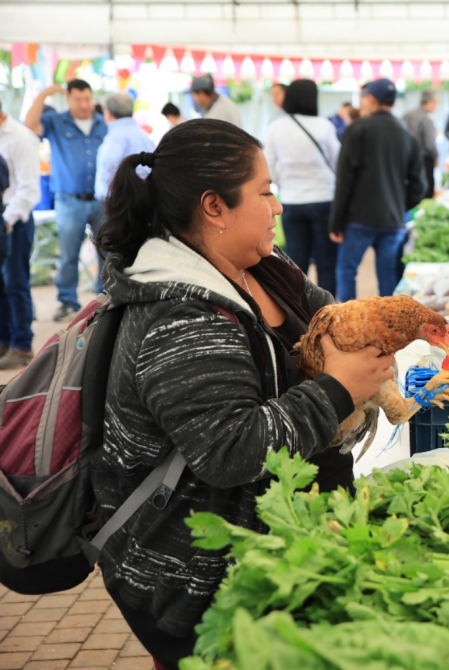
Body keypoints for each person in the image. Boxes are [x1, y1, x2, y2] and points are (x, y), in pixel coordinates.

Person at [91, 119, 395, 670]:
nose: (278, 206)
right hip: (206, 580)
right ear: (215, 206)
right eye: (265, 191)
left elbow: (335, 321)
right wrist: (338, 390)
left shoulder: (266, 269)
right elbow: (229, 449)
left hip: (287, 546)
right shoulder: (178, 313)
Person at [329, 79, 426, 301]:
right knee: (387, 275)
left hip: (358, 218)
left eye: (363, 98)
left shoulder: (358, 129)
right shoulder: (406, 135)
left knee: (346, 270)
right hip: (393, 220)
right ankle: (390, 327)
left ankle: (347, 325)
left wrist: (336, 220)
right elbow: (420, 185)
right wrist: (400, 205)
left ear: (371, 99)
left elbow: (345, 179)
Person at [24, 79, 108, 321]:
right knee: (69, 253)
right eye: (77, 99)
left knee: (106, 251)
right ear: (68, 99)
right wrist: (45, 93)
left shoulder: (104, 123)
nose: (83, 104)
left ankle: (104, 299)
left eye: (87, 99)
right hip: (69, 200)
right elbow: (29, 126)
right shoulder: (56, 121)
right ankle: (68, 301)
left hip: (101, 199)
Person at [264, 79, 341, 296]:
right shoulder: (324, 126)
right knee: (327, 262)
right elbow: (338, 162)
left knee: (296, 264)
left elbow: (269, 167)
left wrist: (285, 181)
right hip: (324, 199)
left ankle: (301, 312)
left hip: (291, 201)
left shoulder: (276, 127)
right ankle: (330, 314)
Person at [0, 101, 42, 369]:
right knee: (1, 287)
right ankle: (5, 339)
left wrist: (6, 221)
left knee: (15, 284)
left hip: (14, 222)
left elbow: (28, 189)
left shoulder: (20, 138)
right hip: (3, 219)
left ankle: (22, 344)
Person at [96, 93, 156, 202]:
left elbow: (108, 170)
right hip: (143, 199)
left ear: (108, 113)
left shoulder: (115, 136)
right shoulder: (143, 136)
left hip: (119, 202)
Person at [403, 89, 440, 198]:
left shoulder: (407, 115)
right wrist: (436, 158)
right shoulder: (426, 120)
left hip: (406, 159)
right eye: (436, 102)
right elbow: (430, 145)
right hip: (423, 160)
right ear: (429, 102)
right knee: (425, 191)